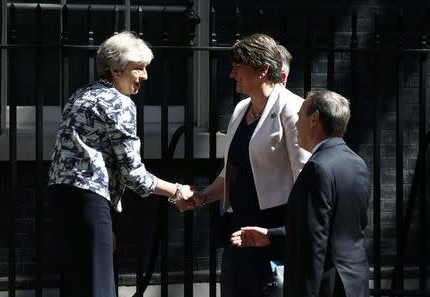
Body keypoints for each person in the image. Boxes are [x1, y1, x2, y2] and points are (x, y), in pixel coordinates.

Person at [47, 31, 197, 297]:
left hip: (61, 198)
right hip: (90, 201)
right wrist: (176, 190)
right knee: (99, 289)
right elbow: (133, 174)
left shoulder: (81, 94)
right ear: (116, 70)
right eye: (138, 69)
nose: (145, 76)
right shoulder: (119, 102)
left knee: (76, 286)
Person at [191, 33, 310, 297]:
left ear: (263, 70)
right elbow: (230, 172)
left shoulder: (292, 109)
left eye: (238, 67)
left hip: (273, 230)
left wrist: (286, 234)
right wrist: (202, 196)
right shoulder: (240, 109)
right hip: (240, 226)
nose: (232, 74)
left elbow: (304, 177)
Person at [231, 90, 370, 297]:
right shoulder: (357, 163)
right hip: (354, 283)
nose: (295, 123)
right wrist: (271, 236)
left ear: (314, 119)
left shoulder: (317, 168)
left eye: (299, 115)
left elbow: (314, 243)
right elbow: (339, 228)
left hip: (325, 287)